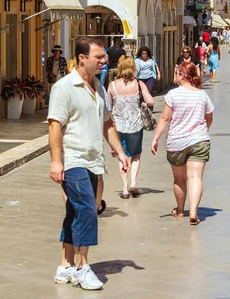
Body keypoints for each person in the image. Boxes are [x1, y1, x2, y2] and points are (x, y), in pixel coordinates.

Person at [48, 37, 130, 290]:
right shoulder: (64, 87)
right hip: (73, 160)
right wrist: (56, 161)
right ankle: (83, 267)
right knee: (87, 210)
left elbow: (107, 123)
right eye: (99, 57)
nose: (104, 61)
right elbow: (54, 125)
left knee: (74, 211)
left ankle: (65, 265)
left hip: (94, 160)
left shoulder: (98, 87)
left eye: (104, 57)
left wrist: (121, 152)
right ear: (82, 58)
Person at [151, 62, 214, 225]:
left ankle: (180, 210)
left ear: (182, 75)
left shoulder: (172, 95)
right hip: (199, 140)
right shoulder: (202, 95)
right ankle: (193, 212)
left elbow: (165, 118)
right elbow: (209, 118)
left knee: (179, 179)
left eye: (177, 73)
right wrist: (201, 131)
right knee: (195, 177)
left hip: (176, 142)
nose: (175, 77)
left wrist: (155, 138)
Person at [108, 56, 154, 197]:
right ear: (134, 68)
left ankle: (125, 189)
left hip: (118, 127)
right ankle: (134, 183)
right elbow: (151, 101)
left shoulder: (113, 85)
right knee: (135, 155)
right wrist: (143, 104)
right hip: (135, 125)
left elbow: (109, 107)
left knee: (122, 156)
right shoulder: (139, 84)